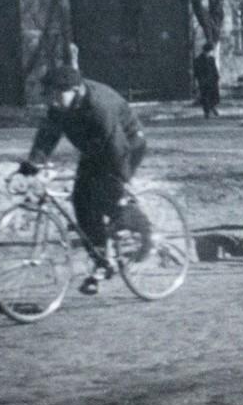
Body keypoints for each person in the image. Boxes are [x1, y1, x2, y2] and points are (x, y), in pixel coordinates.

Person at [18, 66, 149, 295]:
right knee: (81, 201)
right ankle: (101, 260)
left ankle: (144, 230)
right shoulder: (60, 104)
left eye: (58, 95)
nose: (53, 101)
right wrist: (35, 161)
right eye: (49, 96)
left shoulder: (99, 107)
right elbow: (48, 134)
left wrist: (120, 184)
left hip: (126, 145)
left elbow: (117, 149)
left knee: (108, 196)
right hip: (95, 150)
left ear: (76, 90)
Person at [193, 42, 221, 118]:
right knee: (205, 96)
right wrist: (197, 81)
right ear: (205, 51)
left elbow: (214, 69)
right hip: (203, 81)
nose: (210, 53)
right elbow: (196, 71)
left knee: (213, 96)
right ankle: (206, 112)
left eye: (210, 51)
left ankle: (213, 107)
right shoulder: (198, 60)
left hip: (212, 81)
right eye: (209, 51)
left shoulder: (212, 59)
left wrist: (217, 77)